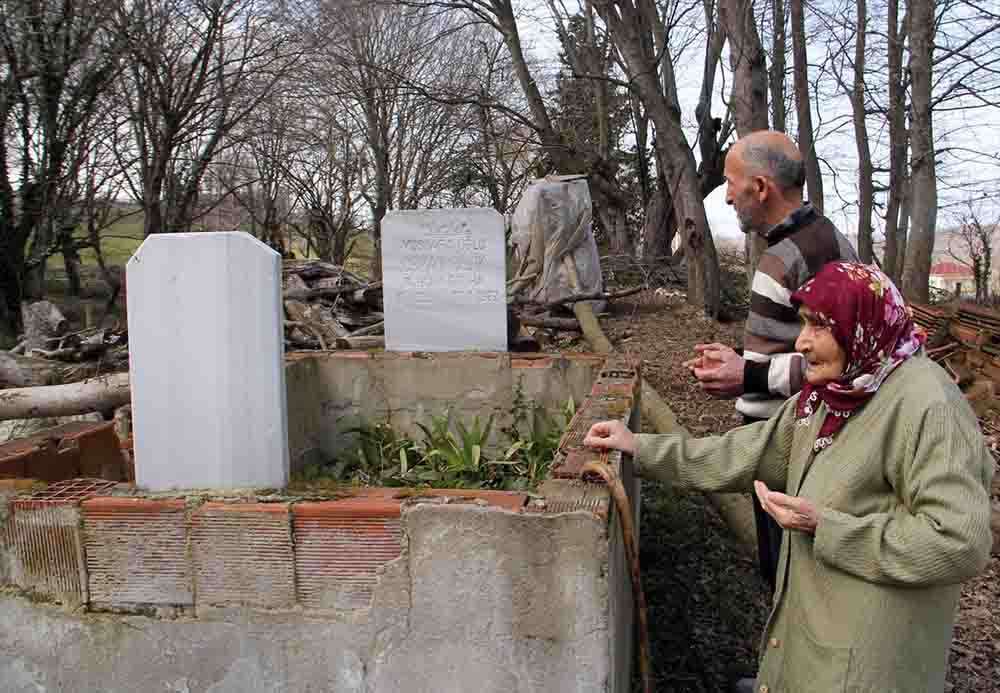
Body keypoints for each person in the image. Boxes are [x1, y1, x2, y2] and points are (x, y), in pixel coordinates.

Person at [584, 262, 994, 693]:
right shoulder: (836, 392)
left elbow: (959, 542)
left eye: (820, 325)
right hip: (818, 633)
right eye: (804, 324)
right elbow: (745, 451)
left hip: (869, 661)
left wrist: (827, 527)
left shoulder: (927, 407)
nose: (802, 342)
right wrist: (640, 448)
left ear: (862, 323)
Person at [685, 130, 859, 594]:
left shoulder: (813, 253)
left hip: (802, 449)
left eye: (730, 182)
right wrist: (742, 360)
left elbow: (851, 362)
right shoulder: (790, 247)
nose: (726, 196)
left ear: (760, 188)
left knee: (796, 581)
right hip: (776, 441)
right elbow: (798, 346)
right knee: (777, 572)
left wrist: (750, 374)